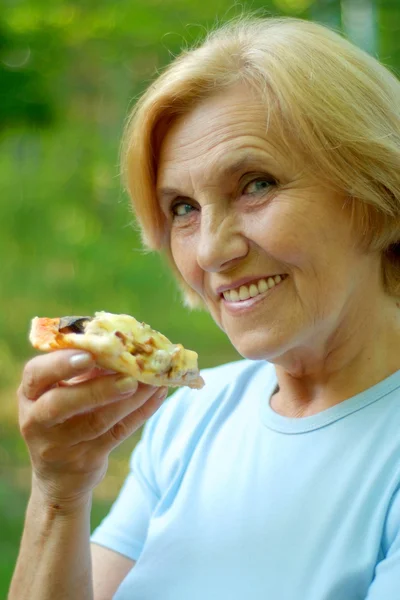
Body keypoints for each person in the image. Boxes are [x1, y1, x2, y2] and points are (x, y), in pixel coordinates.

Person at [9, 15, 400, 600]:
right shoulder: (190, 418)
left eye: (256, 184)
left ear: (373, 192)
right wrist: (59, 496)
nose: (213, 250)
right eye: (183, 208)